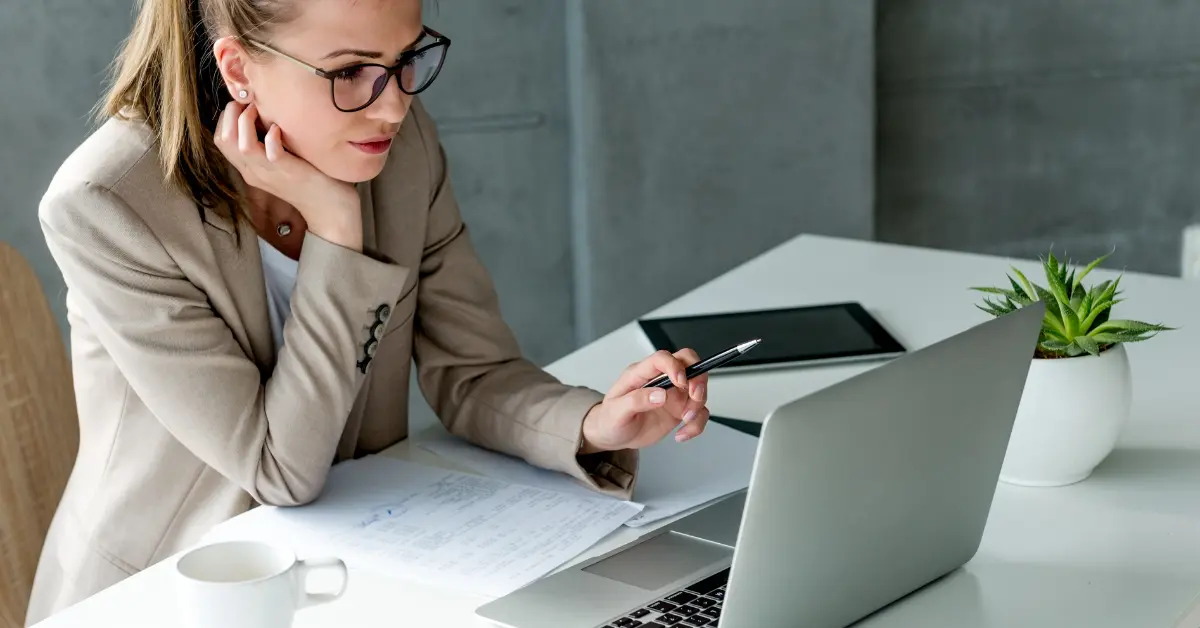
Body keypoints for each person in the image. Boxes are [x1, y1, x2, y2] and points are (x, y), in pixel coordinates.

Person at [26, 0, 712, 623]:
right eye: (350, 71)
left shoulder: (401, 151)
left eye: (406, 59)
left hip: (360, 567)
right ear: (237, 67)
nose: (393, 108)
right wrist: (334, 224)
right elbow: (277, 469)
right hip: (174, 591)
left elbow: (473, 369)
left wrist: (595, 423)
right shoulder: (107, 203)